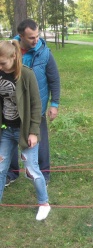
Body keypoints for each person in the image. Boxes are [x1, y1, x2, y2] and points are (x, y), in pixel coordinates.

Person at [6, 19, 60, 186]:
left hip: (37, 106)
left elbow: (54, 79)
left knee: (39, 139)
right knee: (9, 139)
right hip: (13, 106)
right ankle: (11, 174)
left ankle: (44, 173)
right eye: (31, 38)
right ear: (21, 36)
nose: (36, 40)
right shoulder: (10, 50)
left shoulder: (45, 53)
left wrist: (54, 104)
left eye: (37, 36)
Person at [0, 40, 51, 220]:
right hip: (6, 130)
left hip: (25, 131)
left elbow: (37, 105)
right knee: (0, 167)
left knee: (31, 169)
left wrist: (33, 132)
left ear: (14, 57)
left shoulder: (27, 75)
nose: (0, 66)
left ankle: (44, 203)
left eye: (3, 63)